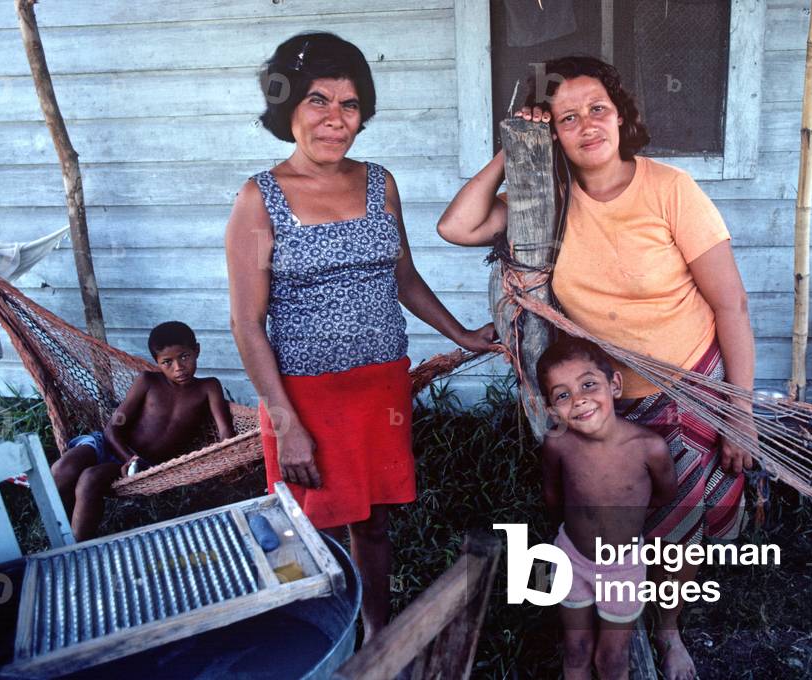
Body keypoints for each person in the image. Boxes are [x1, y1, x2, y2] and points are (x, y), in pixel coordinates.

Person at [437, 56, 755, 680]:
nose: (587, 126)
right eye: (566, 118)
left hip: (689, 386)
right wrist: (512, 147)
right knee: (613, 515)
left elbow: (730, 303)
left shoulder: (670, 190)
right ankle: (614, 607)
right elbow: (457, 225)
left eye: (597, 109)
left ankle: (668, 631)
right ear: (552, 132)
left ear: (622, 115)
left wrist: (739, 411)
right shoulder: (547, 201)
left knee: (681, 522)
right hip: (600, 400)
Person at [225, 32, 495, 642]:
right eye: (318, 101)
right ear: (287, 109)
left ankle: (376, 632)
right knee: (300, 526)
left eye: (349, 105)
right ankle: (306, 638)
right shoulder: (258, 199)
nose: (335, 119)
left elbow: (402, 276)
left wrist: (460, 334)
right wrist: (284, 419)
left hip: (379, 387)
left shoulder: (379, 183)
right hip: (303, 399)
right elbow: (246, 323)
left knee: (371, 523)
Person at [537, 336, 676, 680]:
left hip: (623, 569)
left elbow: (665, 494)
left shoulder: (649, 448)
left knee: (612, 659)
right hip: (572, 557)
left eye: (588, 384)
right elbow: (553, 496)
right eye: (563, 395)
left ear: (614, 384)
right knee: (576, 650)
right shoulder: (558, 445)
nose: (580, 399)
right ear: (552, 409)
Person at [51, 321, 234, 541]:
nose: (178, 367)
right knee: (63, 470)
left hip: (142, 465)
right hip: (112, 445)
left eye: (184, 356)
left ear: (197, 350)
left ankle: (76, 547)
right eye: (167, 362)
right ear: (157, 362)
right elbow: (112, 428)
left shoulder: (208, 387)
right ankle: (58, 533)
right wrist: (128, 457)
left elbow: (225, 432)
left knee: (90, 479)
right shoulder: (147, 382)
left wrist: (226, 457)